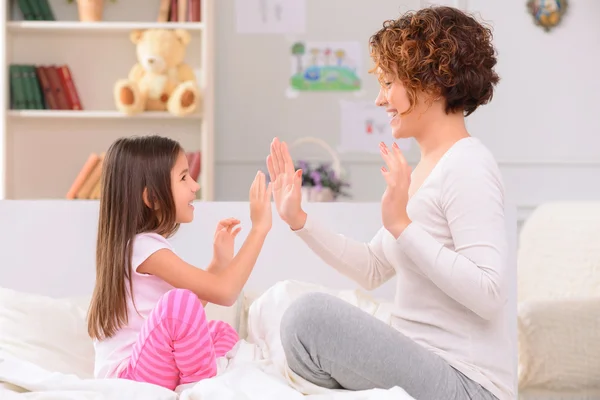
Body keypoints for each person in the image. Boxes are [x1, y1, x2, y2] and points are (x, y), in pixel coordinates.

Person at [267, 6, 513, 400]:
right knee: (291, 313)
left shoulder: (468, 164)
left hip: (469, 383)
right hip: (428, 364)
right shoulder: (427, 167)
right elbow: (372, 268)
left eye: (388, 83)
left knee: (308, 318)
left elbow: (488, 293)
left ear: (432, 82)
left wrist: (402, 225)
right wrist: (299, 220)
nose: (380, 100)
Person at [87, 135, 273, 391]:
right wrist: (259, 229)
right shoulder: (143, 248)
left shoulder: (140, 247)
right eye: (184, 177)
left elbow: (189, 315)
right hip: (129, 377)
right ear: (151, 198)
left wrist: (218, 263)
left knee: (219, 332)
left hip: (150, 365)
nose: (195, 185)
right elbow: (225, 293)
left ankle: (206, 377)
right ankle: (199, 389)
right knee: (179, 304)